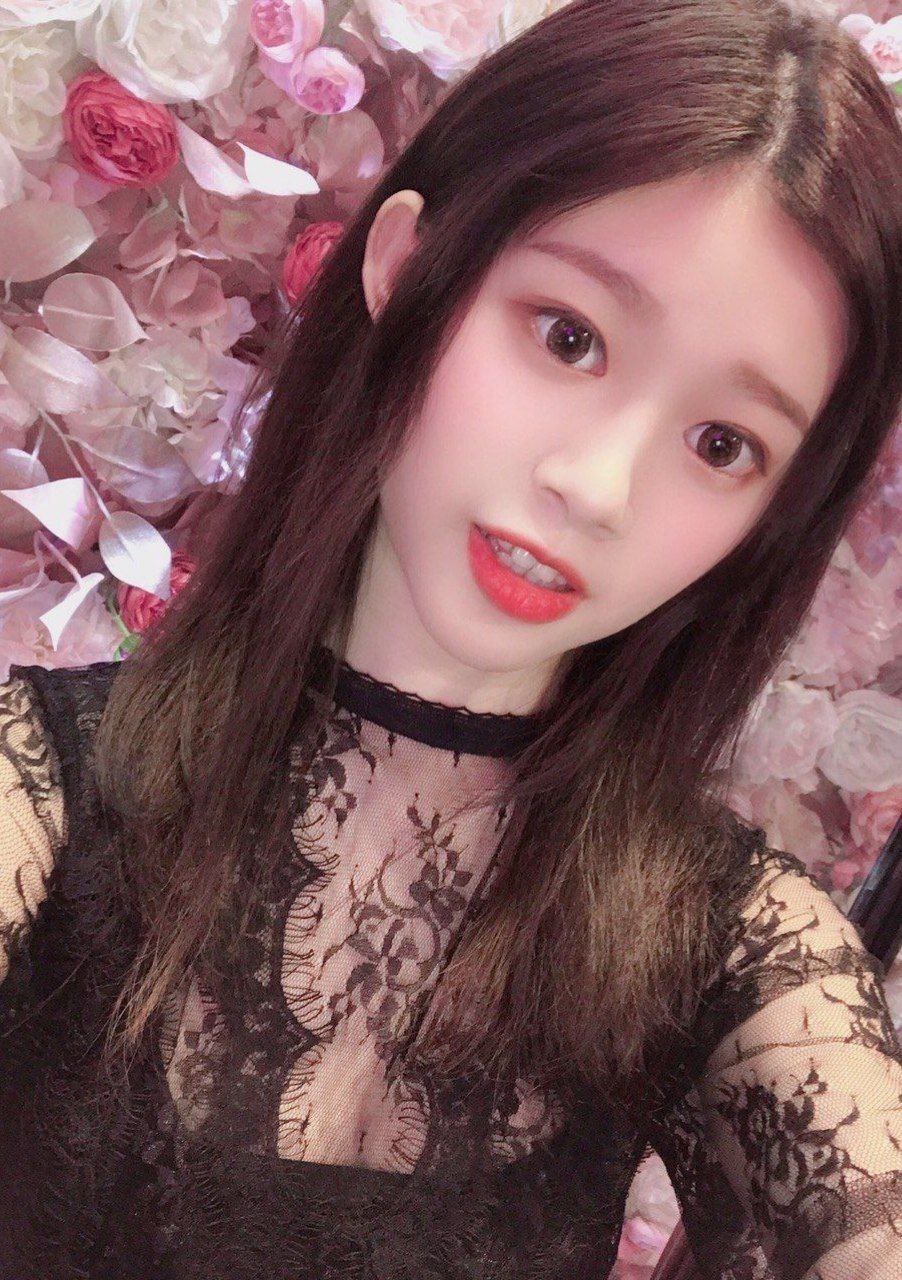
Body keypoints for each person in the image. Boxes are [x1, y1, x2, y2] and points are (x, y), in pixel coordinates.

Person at [1, 0, 900, 1275]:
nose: (595, 486)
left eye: (720, 443)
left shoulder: (740, 953)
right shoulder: (42, 789)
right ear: (406, 266)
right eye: (567, 337)